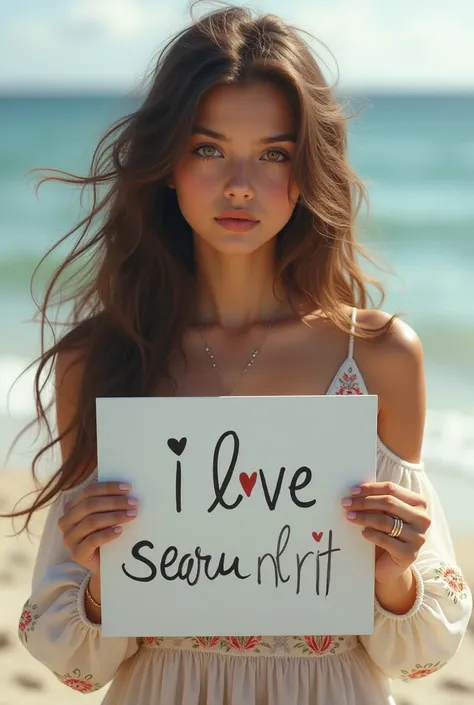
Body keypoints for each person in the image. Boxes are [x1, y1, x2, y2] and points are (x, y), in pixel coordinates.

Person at [8, 5, 471, 705]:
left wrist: (394, 577)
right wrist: (103, 579)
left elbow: (417, 658)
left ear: (306, 168)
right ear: (166, 162)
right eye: (208, 148)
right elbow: (77, 665)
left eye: (274, 154)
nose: (240, 185)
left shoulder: (376, 358)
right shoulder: (101, 361)